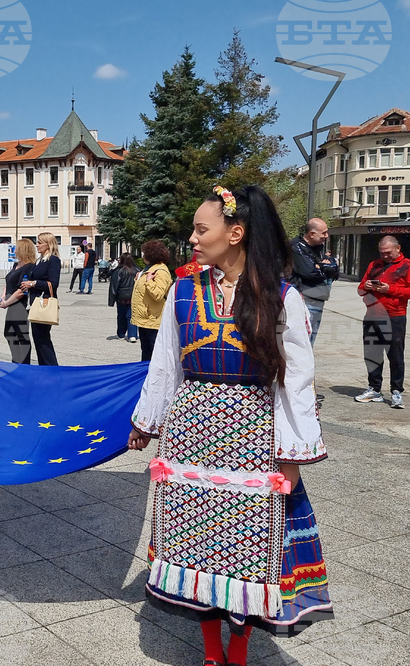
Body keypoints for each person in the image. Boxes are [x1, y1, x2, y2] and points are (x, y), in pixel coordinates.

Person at [128, 185, 332, 666]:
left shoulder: (282, 299)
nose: (193, 238)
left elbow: (296, 382)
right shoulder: (182, 291)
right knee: (197, 548)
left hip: (253, 441)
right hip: (191, 438)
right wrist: (147, 422)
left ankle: (238, 650)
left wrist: (293, 455)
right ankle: (210, 653)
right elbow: (164, 368)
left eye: (202, 229)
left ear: (235, 233)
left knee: (247, 554)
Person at [354, 236, 410, 409]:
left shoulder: (409, 266)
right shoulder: (374, 265)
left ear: (398, 248)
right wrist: (367, 286)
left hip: (394, 316)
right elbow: (360, 289)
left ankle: (396, 391)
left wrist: (390, 289)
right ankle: (374, 388)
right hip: (373, 315)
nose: (385, 256)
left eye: (388, 253)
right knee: (372, 354)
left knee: (395, 355)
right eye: (382, 253)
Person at [290, 218, 339, 345]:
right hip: (304, 299)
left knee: (310, 341)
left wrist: (322, 267)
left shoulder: (319, 248)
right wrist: (324, 268)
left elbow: (334, 270)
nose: (326, 236)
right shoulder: (296, 247)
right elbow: (309, 273)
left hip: (318, 299)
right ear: (312, 234)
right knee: (302, 342)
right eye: (323, 233)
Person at [20, 233, 61, 366]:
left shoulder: (53, 260)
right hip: (35, 304)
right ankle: (44, 367)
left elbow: (53, 284)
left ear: (48, 244)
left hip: (44, 304)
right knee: (38, 339)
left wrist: (33, 283)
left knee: (43, 339)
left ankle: (51, 368)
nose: (37, 245)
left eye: (40, 242)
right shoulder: (40, 260)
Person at [131, 240, 173, 362]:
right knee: (146, 351)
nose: (142, 255)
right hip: (144, 318)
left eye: (144, 253)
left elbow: (158, 295)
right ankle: (146, 376)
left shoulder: (160, 271)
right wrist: (139, 279)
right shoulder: (149, 269)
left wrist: (149, 281)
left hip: (153, 320)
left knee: (154, 352)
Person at [0, 238, 36, 364]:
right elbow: (8, 282)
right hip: (11, 301)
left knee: (20, 334)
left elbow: (21, 290)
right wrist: (3, 295)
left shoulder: (28, 267)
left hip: (19, 303)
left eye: (17, 248)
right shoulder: (16, 265)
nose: (14, 250)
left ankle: (23, 363)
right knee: (9, 332)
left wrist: (6, 303)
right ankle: (17, 360)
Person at [108, 253, 140, 342]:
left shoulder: (118, 271)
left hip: (121, 297)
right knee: (132, 316)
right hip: (134, 296)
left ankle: (121, 333)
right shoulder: (138, 270)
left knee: (121, 315)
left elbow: (113, 286)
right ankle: (132, 335)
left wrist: (111, 301)